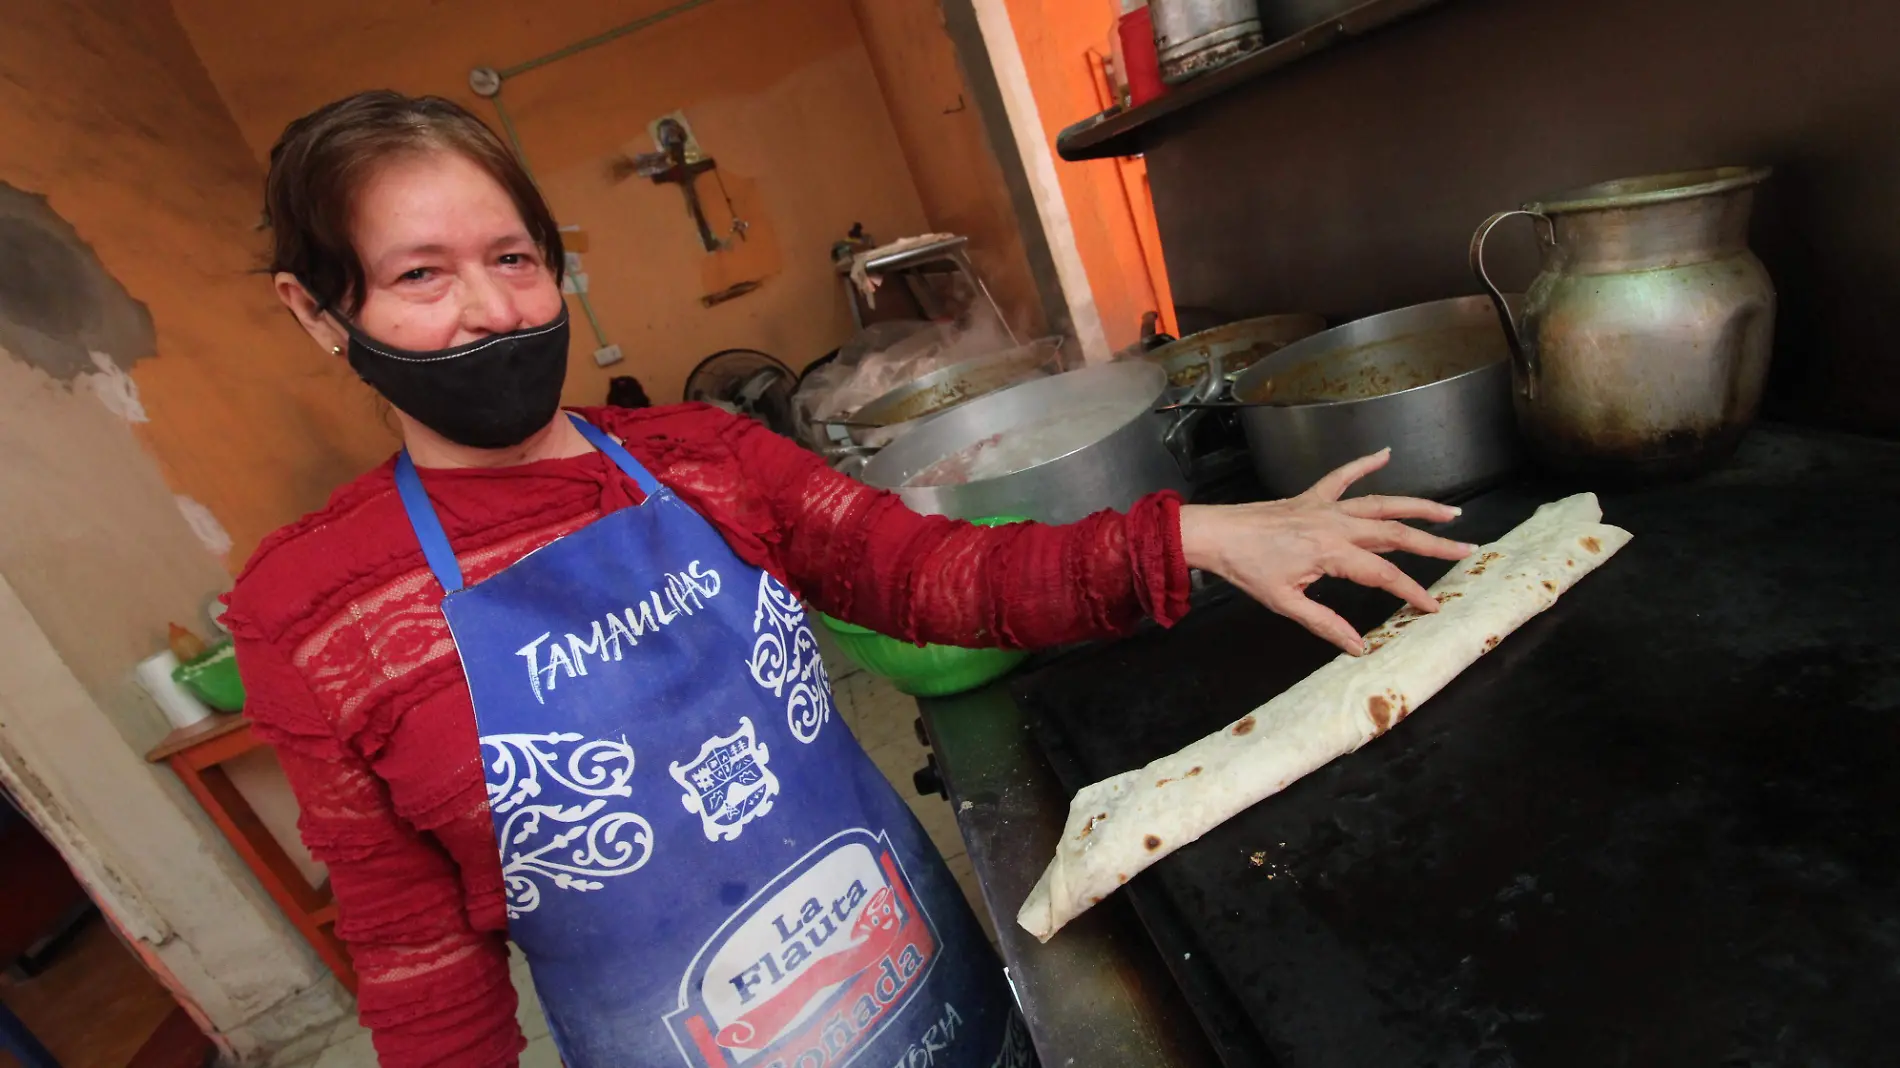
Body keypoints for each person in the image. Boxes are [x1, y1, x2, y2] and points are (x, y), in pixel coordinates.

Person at [224, 91, 1473, 1068]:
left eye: (514, 257)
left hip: (918, 995)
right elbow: (414, 958)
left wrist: (1195, 536)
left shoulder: (710, 461)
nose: (492, 311)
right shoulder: (313, 613)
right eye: (420, 276)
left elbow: (935, 579)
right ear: (320, 310)